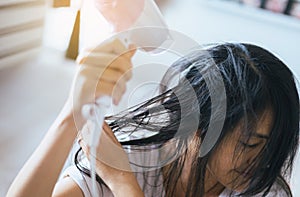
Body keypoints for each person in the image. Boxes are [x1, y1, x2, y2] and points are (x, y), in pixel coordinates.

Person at [6, 39, 299, 197]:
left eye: (271, 147)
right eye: (249, 144)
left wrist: (124, 185)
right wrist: (72, 115)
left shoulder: (263, 191)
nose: (264, 162)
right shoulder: (129, 159)